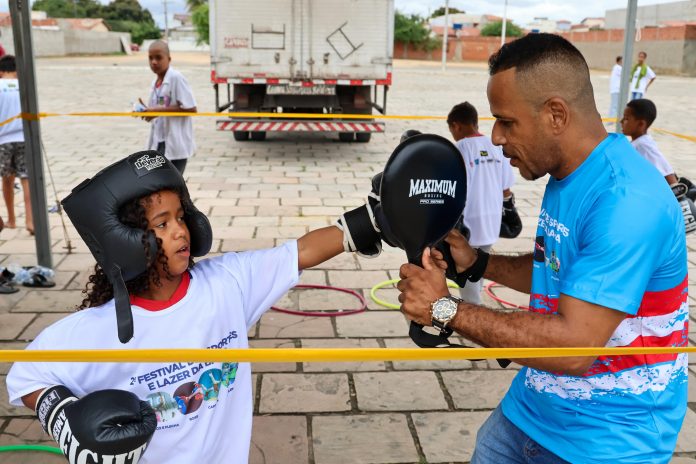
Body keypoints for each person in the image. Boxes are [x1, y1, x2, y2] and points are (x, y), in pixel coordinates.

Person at [397, 33, 687, 464]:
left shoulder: (626, 201)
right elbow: (557, 268)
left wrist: (444, 309)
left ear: (555, 114)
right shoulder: (566, 174)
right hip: (532, 409)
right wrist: (478, 263)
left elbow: (573, 348)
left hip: (608, 439)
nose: (495, 137)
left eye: (506, 121)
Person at [5, 151, 389, 463]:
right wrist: (64, 418)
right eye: (161, 223)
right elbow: (26, 375)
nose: (180, 230)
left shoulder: (227, 283)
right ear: (123, 239)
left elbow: (300, 252)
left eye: (181, 217)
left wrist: (372, 220)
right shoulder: (96, 331)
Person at [446, 102, 516, 304]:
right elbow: (506, 187)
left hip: (468, 220)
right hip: (492, 218)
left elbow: (451, 187)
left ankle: (473, 310)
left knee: (465, 265)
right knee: (481, 261)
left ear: (456, 126)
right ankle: (475, 301)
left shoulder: (458, 149)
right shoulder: (496, 146)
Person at [140, 40, 197, 174]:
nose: (154, 62)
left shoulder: (176, 78)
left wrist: (158, 110)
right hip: (159, 142)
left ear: (169, 59)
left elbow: (191, 109)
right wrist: (147, 111)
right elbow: (159, 108)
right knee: (158, 185)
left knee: (172, 188)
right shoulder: (156, 82)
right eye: (150, 58)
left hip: (176, 144)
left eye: (158, 58)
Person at [0, 55, 33, 235]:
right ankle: (30, 221)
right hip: (24, 138)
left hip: (2, 140)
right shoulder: (24, 86)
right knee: (26, 179)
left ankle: (11, 219)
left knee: (7, 180)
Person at [620, 98, 677, 185]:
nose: (621, 121)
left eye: (626, 118)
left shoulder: (643, 145)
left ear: (641, 124)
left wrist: (676, 193)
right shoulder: (638, 142)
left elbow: (668, 174)